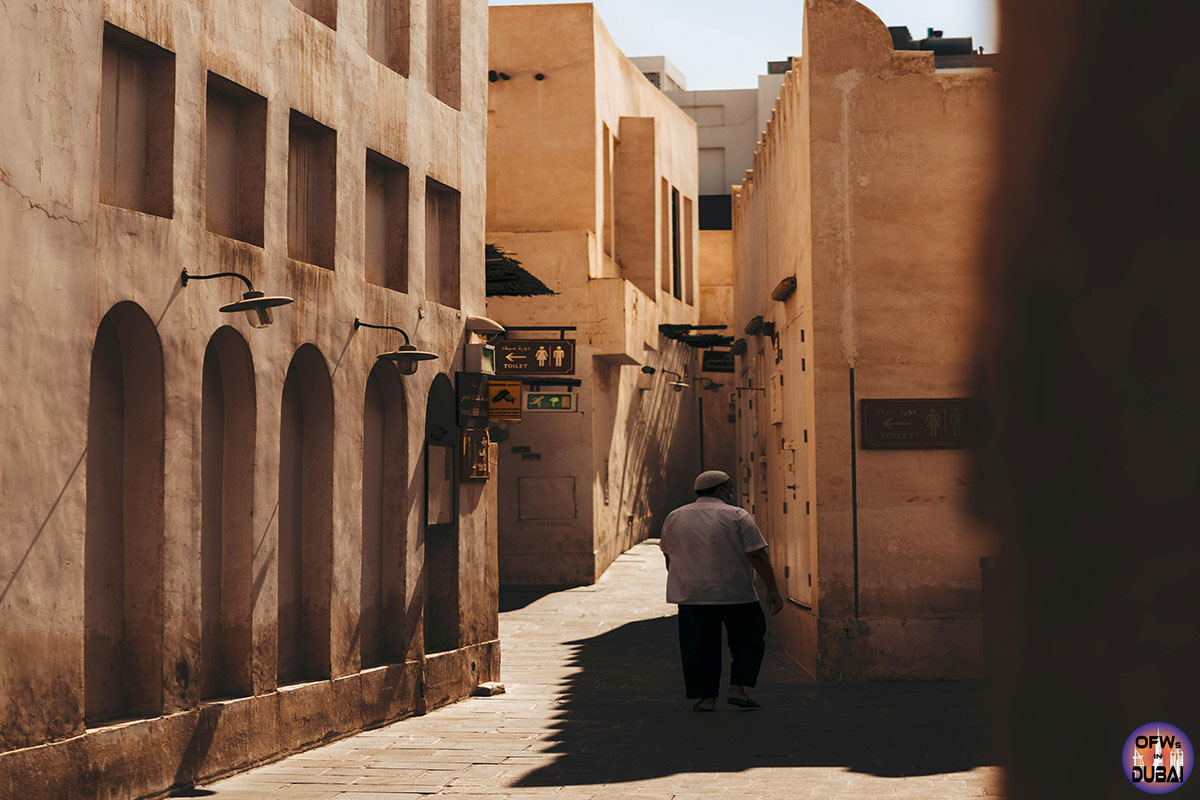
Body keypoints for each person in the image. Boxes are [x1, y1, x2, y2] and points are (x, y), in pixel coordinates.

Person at [660, 470, 783, 712]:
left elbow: (668, 554)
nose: (731, 492)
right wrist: (772, 589)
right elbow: (757, 553)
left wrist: (684, 579)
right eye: (729, 488)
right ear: (720, 490)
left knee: (699, 645)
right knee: (748, 639)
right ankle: (737, 688)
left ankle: (707, 699)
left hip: (692, 595)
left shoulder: (675, 516)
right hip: (735, 592)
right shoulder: (737, 515)